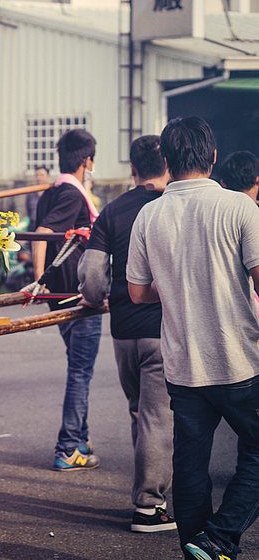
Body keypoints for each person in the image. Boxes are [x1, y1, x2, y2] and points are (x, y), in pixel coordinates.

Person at [127, 117, 259, 560]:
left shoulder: (150, 214)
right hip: (239, 358)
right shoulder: (239, 207)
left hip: (183, 364)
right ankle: (219, 539)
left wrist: (178, 278)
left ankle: (198, 549)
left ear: (166, 160)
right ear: (213, 155)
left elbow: (137, 292)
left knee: (190, 464)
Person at [78, 135, 176, 533]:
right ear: (167, 164)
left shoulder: (114, 211)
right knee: (158, 418)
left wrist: (98, 297)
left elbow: (92, 273)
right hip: (160, 328)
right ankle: (149, 507)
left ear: (133, 168)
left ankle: (150, 493)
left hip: (123, 333)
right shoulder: (171, 207)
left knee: (141, 413)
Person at [32, 128, 103, 471]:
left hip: (62, 294)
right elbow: (42, 234)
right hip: (76, 293)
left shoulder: (53, 190)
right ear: (87, 161)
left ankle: (81, 439)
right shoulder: (71, 194)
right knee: (80, 371)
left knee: (78, 366)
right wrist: (38, 279)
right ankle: (68, 446)